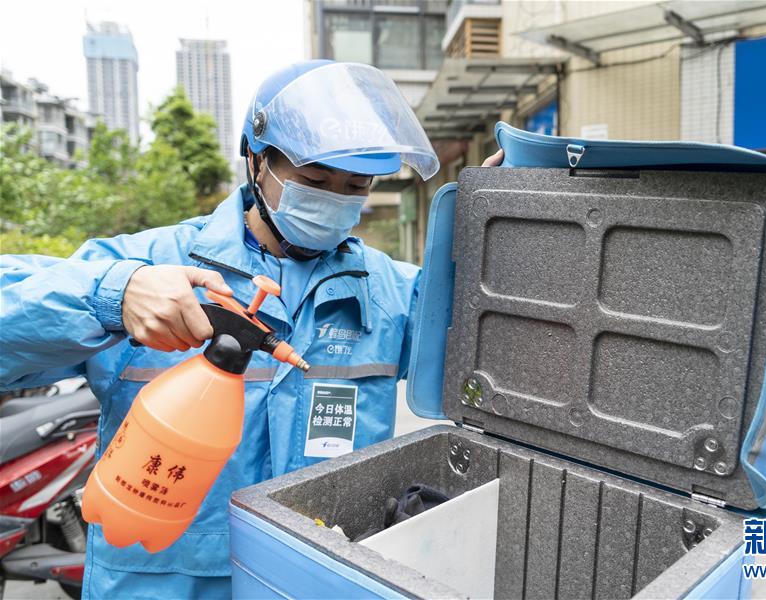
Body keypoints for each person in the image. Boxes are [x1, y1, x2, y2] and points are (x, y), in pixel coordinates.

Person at [0, 59, 502, 598]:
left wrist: (507, 223)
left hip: (315, 580)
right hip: (159, 580)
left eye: (355, 186)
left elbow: (490, 355)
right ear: (257, 161)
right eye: (314, 181)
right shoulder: (153, 264)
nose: (334, 200)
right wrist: (111, 294)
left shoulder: (390, 293)